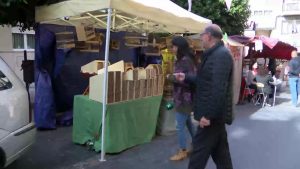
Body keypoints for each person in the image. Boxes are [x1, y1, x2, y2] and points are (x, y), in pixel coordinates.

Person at [174, 24, 233, 169]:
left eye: (202, 35)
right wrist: (186, 77)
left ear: (209, 36)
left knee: (197, 157)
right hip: (214, 117)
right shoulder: (214, 54)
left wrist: (208, 116)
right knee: (222, 156)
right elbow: (205, 81)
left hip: (210, 117)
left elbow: (218, 89)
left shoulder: (221, 55)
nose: (201, 38)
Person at [167, 36, 196, 161]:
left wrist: (170, 77)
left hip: (184, 99)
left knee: (180, 126)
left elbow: (187, 79)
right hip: (184, 98)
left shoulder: (185, 61)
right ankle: (196, 144)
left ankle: (182, 150)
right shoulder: (186, 59)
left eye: (173, 46)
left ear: (179, 47)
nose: (172, 49)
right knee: (188, 123)